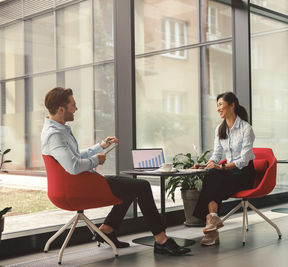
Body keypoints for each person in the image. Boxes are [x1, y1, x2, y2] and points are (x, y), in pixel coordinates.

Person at [41, 87, 190, 256]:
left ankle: (107, 229)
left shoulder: (60, 130)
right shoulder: (55, 135)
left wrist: (100, 146)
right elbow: (74, 166)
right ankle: (161, 240)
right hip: (75, 190)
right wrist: (97, 160)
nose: (76, 108)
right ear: (61, 109)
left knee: (130, 187)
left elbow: (74, 156)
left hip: (81, 184)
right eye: (73, 105)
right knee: (141, 186)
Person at [191, 92, 256, 246]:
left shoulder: (246, 128)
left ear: (232, 105)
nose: (218, 108)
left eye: (220, 104)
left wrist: (221, 167)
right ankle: (212, 220)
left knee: (214, 179)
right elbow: (217, 154)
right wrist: (206, 164)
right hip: (229, 171)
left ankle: (210, 222)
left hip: (244, 173)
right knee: (212, 173)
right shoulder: (219, 129)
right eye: (217, 105)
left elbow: (244, 160)